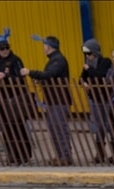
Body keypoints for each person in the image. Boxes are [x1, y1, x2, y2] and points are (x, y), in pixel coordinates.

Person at [21, 35, 73, 166]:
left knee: (60, 129)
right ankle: (60, 155)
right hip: (51, 99)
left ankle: (65, 156)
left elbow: (49, 74)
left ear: (49, 47)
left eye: (44, 46)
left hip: (58, 100)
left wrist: (30, 72)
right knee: (54, 129)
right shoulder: (53, 60)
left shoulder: (58, 60)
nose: (43, 48)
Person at [0, 36, 33, 165]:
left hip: (15, 97)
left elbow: (20, 77)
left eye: (7, 48)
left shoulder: (15, 60)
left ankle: (24, 155)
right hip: (1, 98)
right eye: (2, 48)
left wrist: (6, 76)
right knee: (6, 129)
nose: (5, 50)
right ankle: (12, 155)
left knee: (19, 127)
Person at [80, 38, 113, 164]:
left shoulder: (104, 62)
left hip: (106, 98)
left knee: (109, 125)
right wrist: (84, 83)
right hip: (94, 98)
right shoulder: (87, 65)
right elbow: (81, 78)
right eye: (86, 55)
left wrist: (89, 69)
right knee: (98, 126)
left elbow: (101, 75)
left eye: (89, 54)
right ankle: (99, 153)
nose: (88, 57)